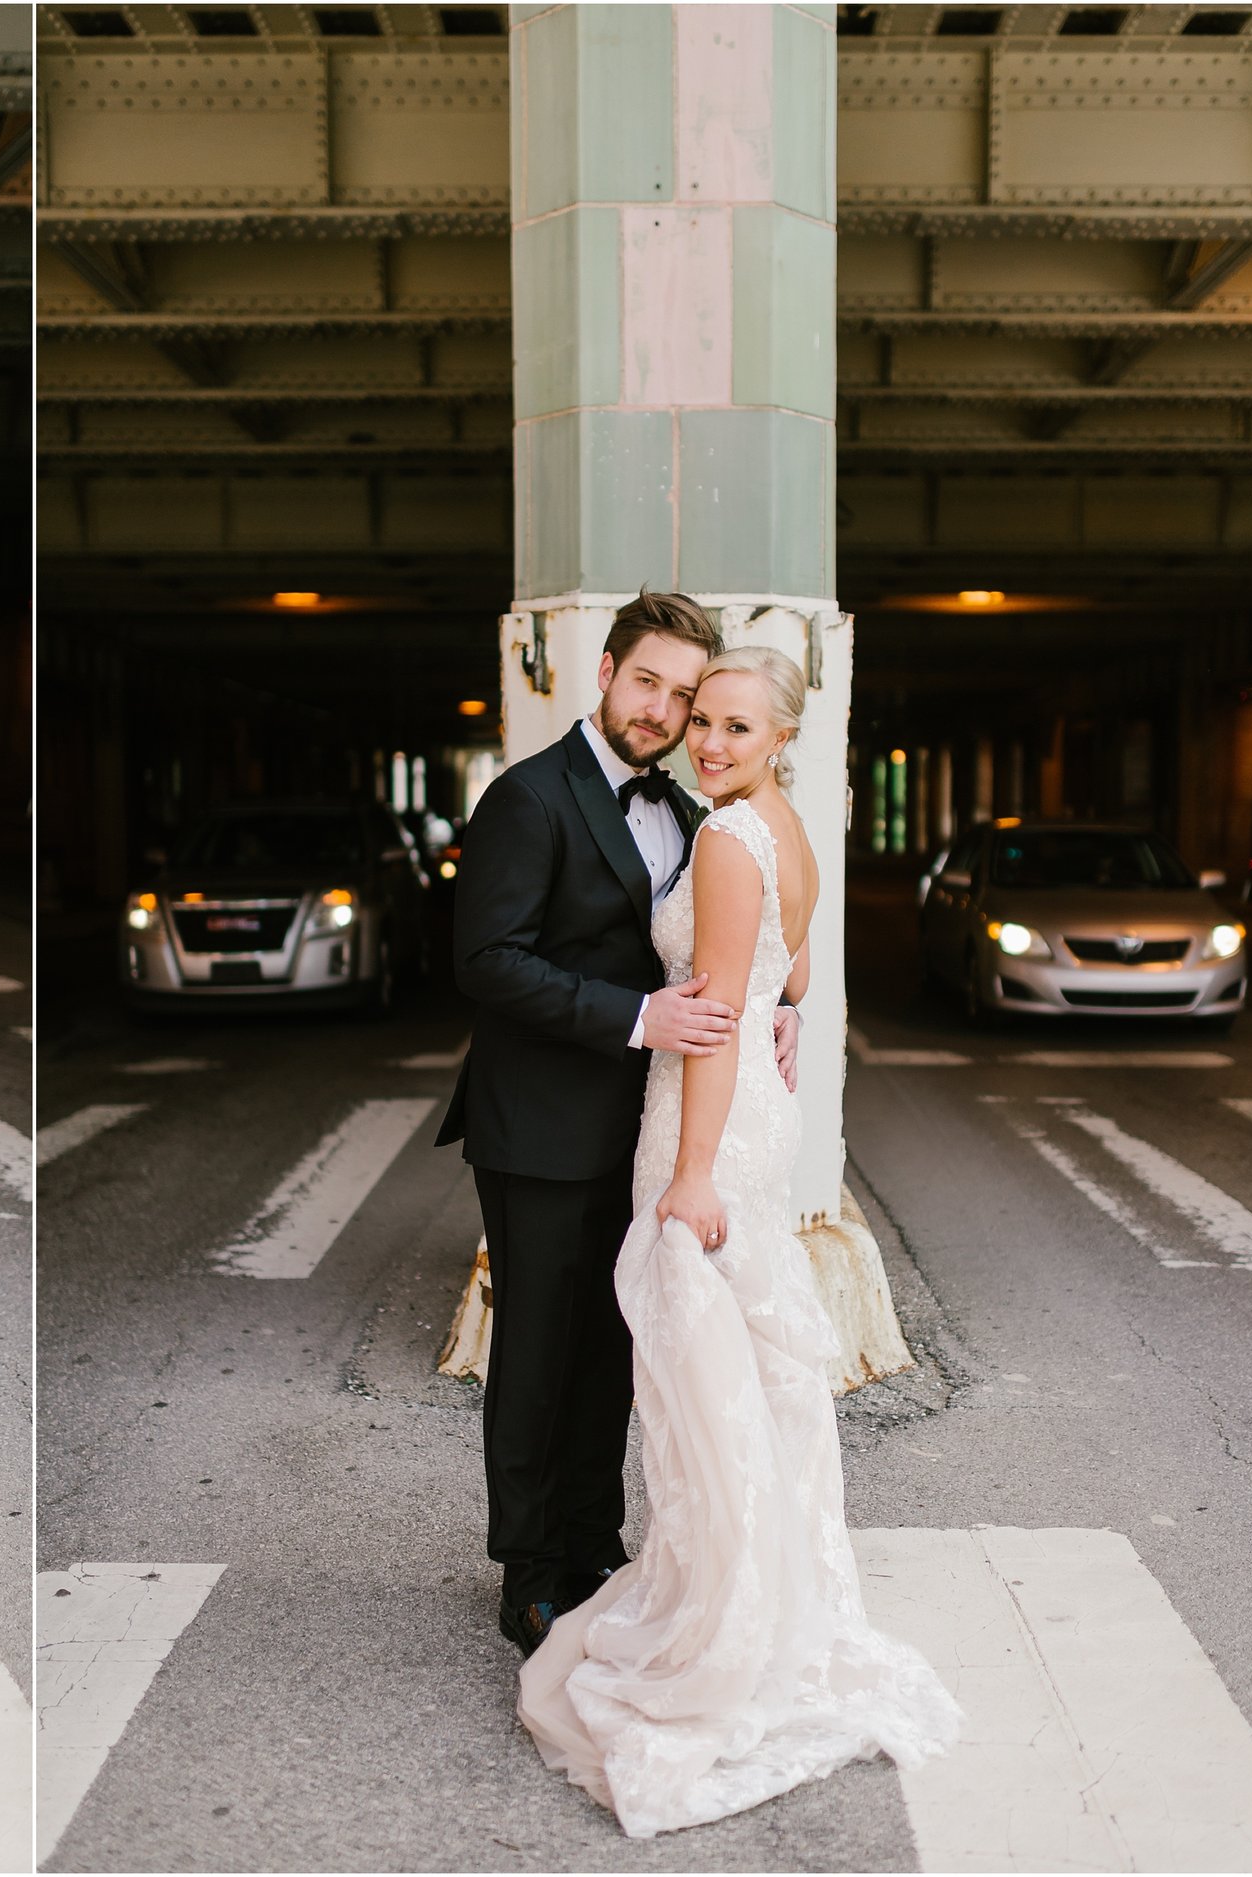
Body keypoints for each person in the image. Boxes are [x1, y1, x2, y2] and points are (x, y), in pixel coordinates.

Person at [515, 646, 960, 1837]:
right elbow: (789, 977)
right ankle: (766, 1600)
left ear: (779, 735)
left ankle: (716, 1623)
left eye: (735, 727)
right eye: (701, 720)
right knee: (753, 1376)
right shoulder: (787, 829)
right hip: (764, 1120)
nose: (707, 741)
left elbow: (709, 1023)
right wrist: (770, 1026)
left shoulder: (720, 839)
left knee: (699, 1378)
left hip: (703, 1126)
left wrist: (694, 1170)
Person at [441, 590, 800, 1656]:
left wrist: (773, 1003)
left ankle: (593, 1543)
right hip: (541, 1126)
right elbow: (487, 962)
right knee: (541, 1352)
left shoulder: (694, 811)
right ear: (604, 672)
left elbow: (720, 943)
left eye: (686, 697)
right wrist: (640, 1015)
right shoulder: (527, 796)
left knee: (611, 1348)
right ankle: (532, 1569)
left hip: (642, 1124)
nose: (664, 712)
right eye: (647, 682)